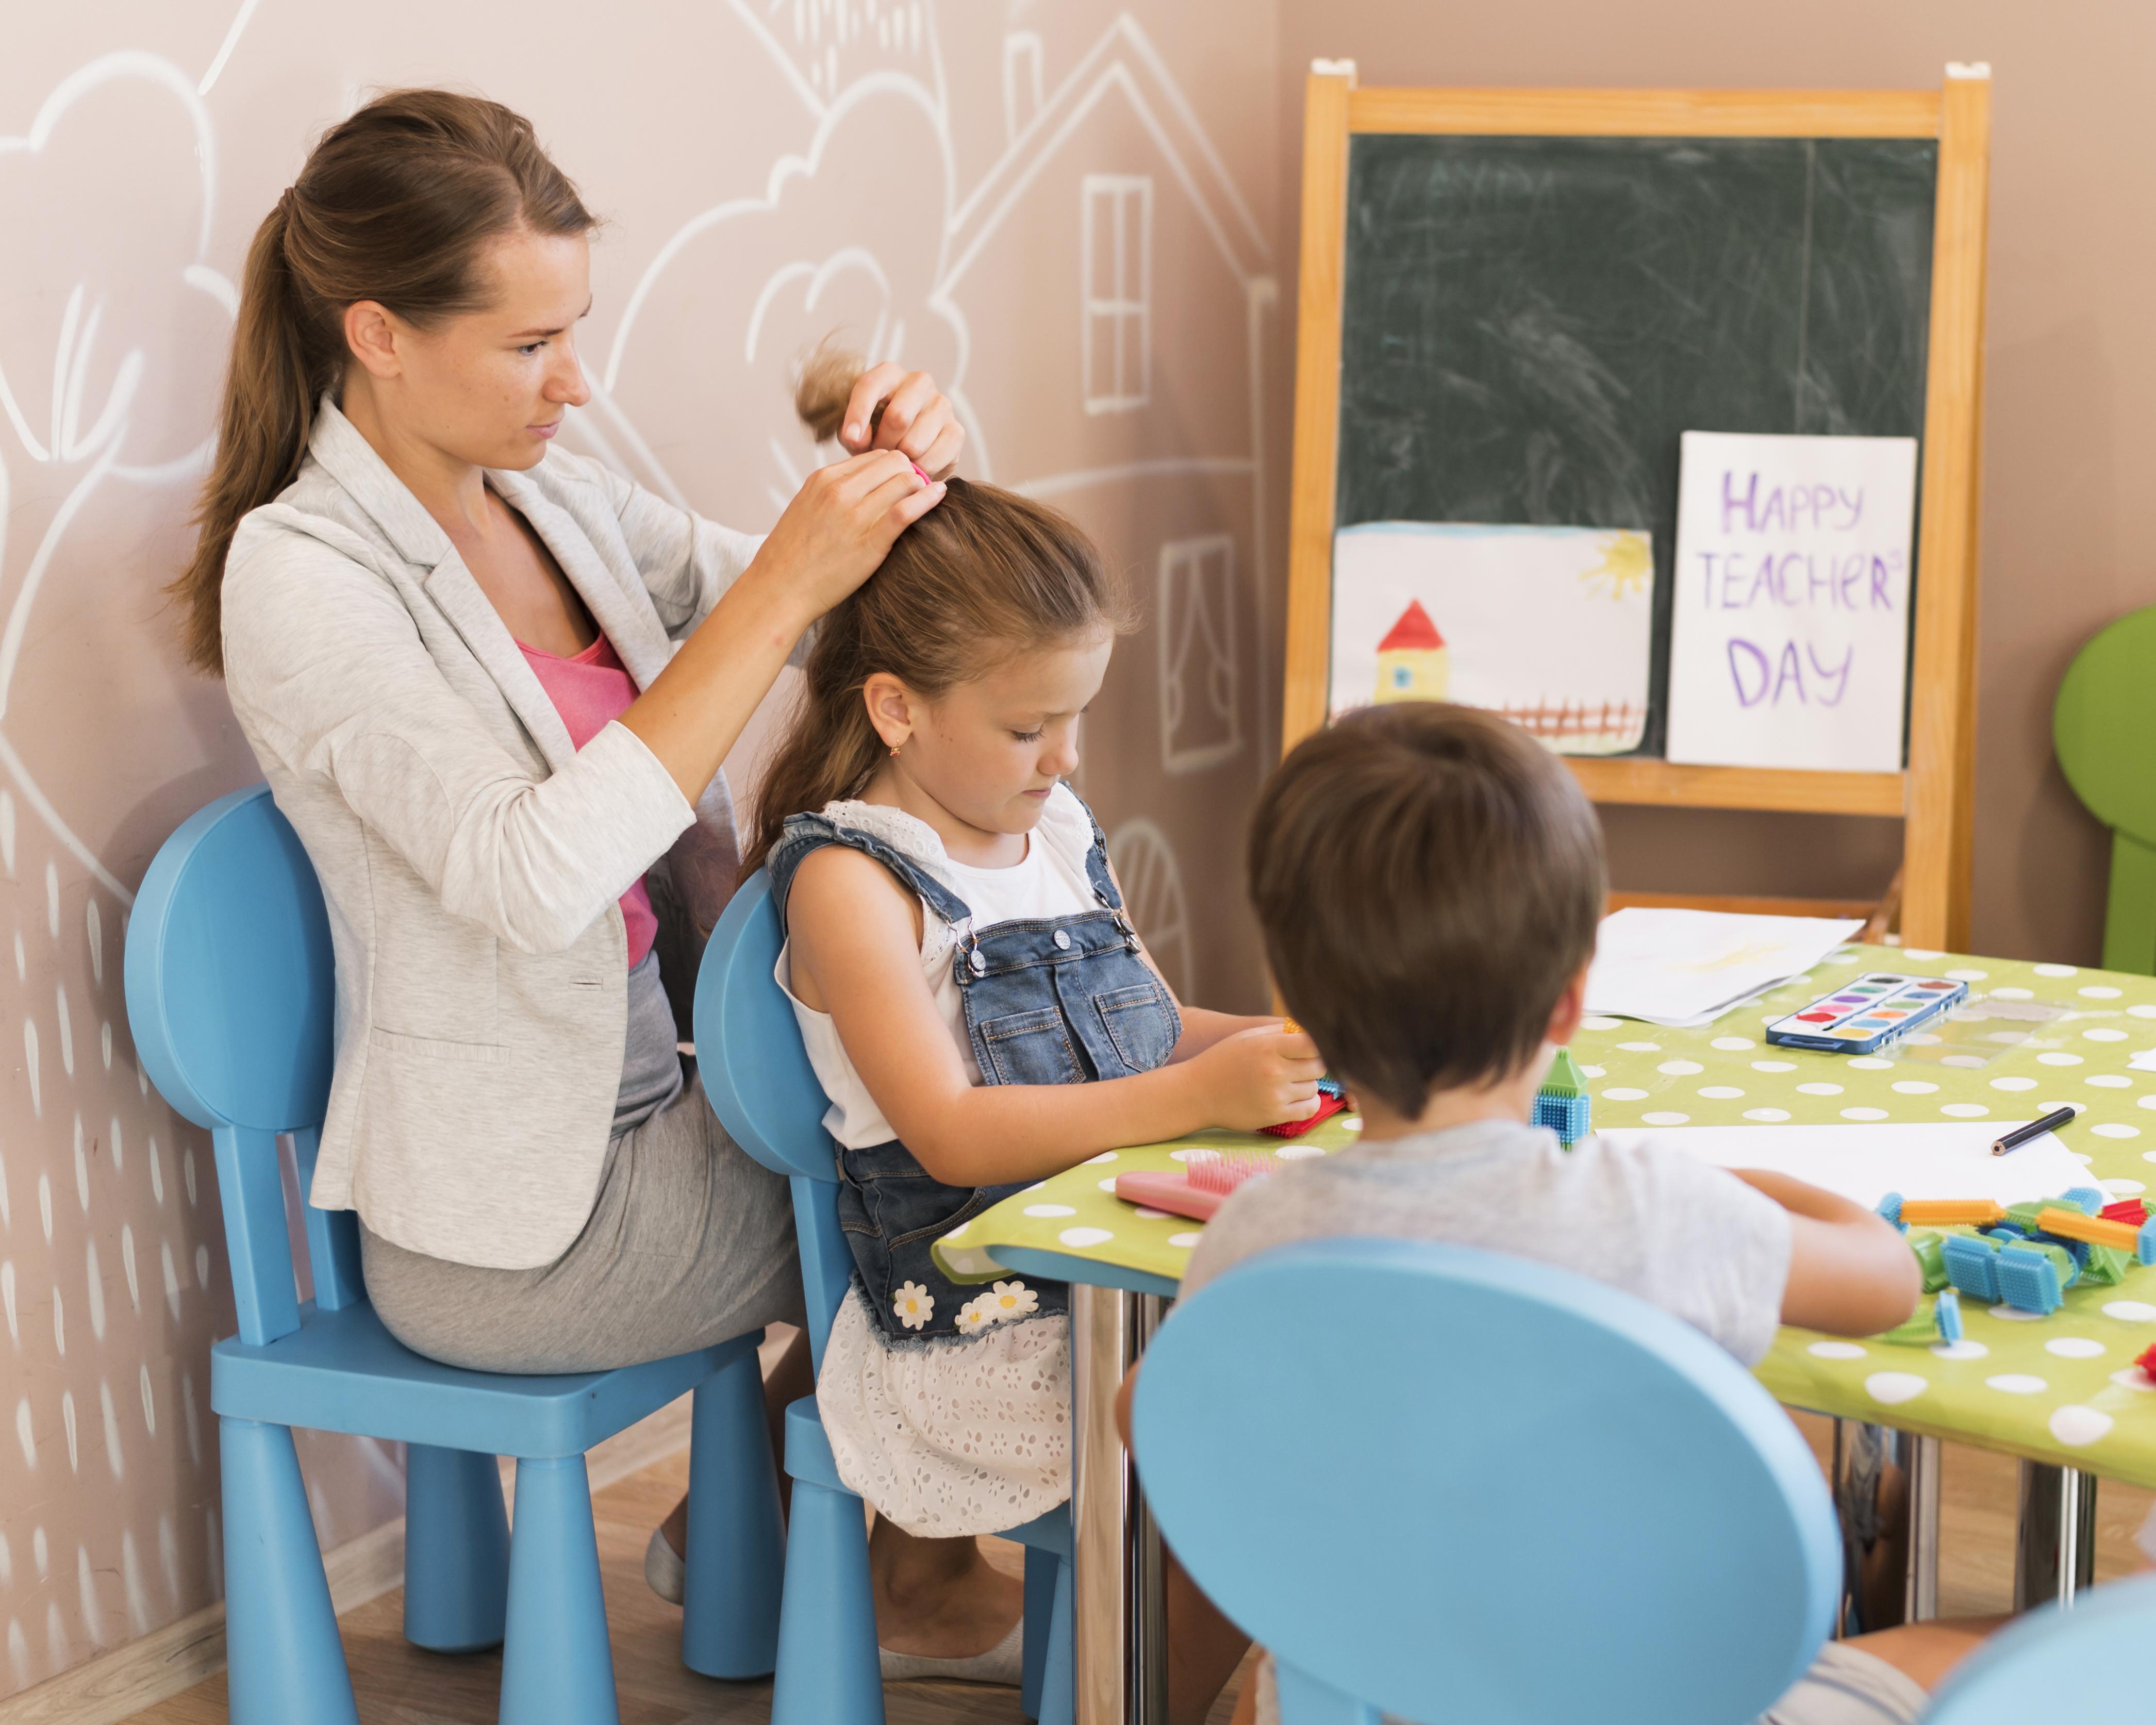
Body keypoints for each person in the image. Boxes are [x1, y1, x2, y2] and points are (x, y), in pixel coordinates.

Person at [179, 90, 963, 1584]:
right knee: (957, 1165)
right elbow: (532, 874)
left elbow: (853, 610)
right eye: (530, 347)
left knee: (974, 1113)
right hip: (525, 1223)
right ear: (379, 335)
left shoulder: (551, 502)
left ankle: (841, 1547)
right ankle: (899, 1572)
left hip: (667, 1106)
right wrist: (773, 592)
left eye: (573, 331)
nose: (575, 384)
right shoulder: (301, 578)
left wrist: (904, 470)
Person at [1131, 701, 1974, 1725]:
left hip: (1359, 1692)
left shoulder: (1257, 1233)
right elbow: (1883, 1282)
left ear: (1297, 1004)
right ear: (1570, 1002)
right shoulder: (1656, 1205)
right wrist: (1740, 1179)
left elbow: (1155, 1405)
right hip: (1659, 1699)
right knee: (1995, 1645)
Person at [756, 351, 1322, 1680]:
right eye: (1030, 728)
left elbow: (1151, 1024)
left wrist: (1297, 1043)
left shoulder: (1049, 823)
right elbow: (949, 1134)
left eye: (1075, 717)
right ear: (896, 706)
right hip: (973, 1325)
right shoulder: (854, 875)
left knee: (1333, 1338)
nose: (1066, 757)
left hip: (1107, 1275)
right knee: (1244, 1430)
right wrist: (1194, 1098)